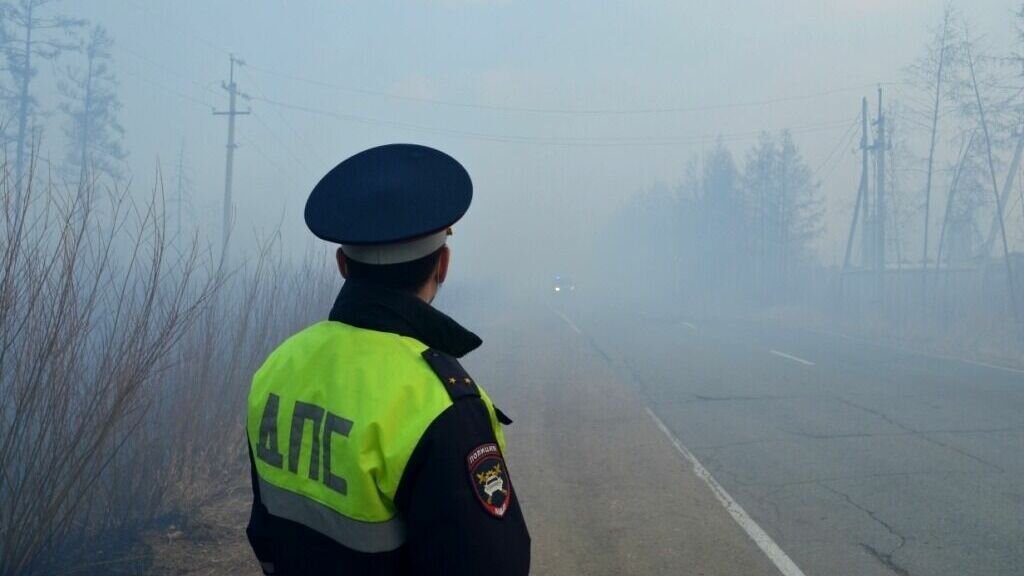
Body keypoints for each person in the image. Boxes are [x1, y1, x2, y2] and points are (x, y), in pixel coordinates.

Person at [245, 143, 531, 575]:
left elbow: (266, 536)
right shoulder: (441, 406)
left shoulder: (277, 368)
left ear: (342, 264)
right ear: (443, 265)